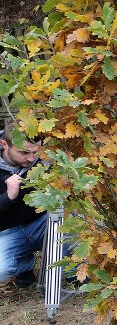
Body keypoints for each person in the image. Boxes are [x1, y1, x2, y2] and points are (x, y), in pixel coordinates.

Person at [0, 117, 46, 288]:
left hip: (41, 223)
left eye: (34, 152)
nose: (31, 158)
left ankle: (70, 274)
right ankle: (24, 265)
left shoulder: (44, 160)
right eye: (24, 153)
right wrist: (8, 197)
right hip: (7, 231)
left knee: (74, 224)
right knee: (1, 270)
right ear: (5, 145)